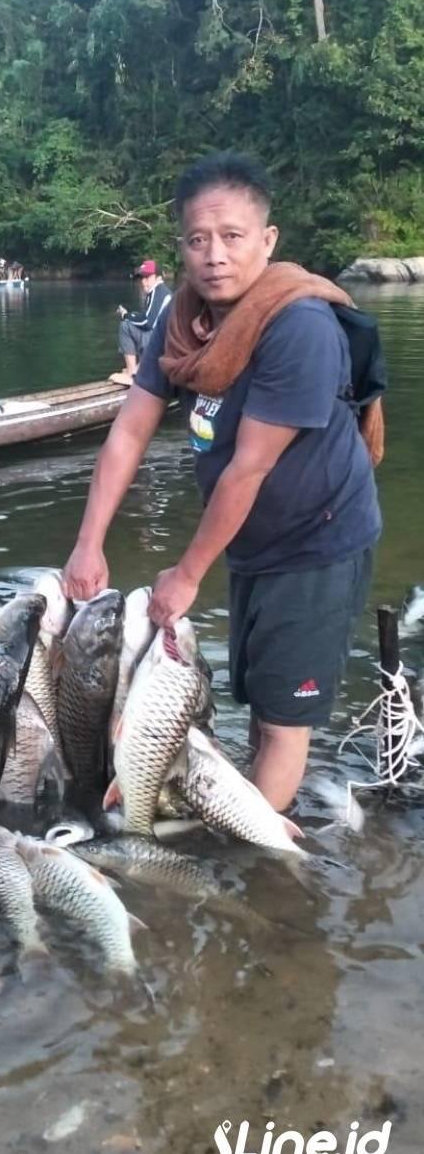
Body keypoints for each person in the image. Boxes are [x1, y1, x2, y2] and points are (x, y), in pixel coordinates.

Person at [65, 152, 383, 816]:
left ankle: (256, 871)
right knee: (256, 694)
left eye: (233, 237)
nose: (214, 255)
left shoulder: (298, 327)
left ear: (267, 241)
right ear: (180, 246)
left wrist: (187, 573)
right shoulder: (182, 323)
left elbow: (249, 465)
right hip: (251, 539)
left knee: (281, 717)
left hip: (317, 539)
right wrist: (89, 541)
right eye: (198, 239)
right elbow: (129, 432)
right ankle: (248, 817)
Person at [109, 260, 171, 385]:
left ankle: (133, 375)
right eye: (142, 278)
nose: (143, 281)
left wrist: (126, 316)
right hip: (166, 343)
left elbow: (147, 323)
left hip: (164, 345)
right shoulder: (160, 291)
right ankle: (138, 368)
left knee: (125, 326)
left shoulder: (157, 291)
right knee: (134, 323)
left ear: (158, 277)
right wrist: (129, 314)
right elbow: (147, 317)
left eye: (147, 277)